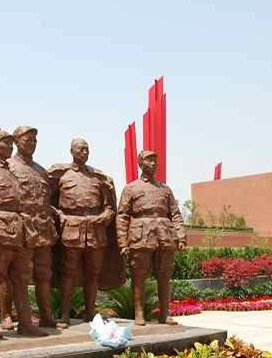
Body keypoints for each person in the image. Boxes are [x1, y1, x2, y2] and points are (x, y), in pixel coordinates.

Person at [0, 128, 48, 339]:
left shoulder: (12, 172)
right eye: (5, 142)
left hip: (21, 233)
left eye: (10, 142)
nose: (10, 146)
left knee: (22, 279)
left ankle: (25, 324)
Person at [49, 138, 115, 328]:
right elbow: (46, 201)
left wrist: (105, 216)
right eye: (80, 149)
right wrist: (60, 215)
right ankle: (64, 314)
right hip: (72, 228)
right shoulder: (61, 175)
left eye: (87, 149)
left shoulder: (98, 177)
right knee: (68, 273)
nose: (84, 152)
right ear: (72, 151)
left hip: (95, 229)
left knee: (94, 272)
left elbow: (110, 207)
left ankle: (90, 312)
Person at [116, 150, 187, 326]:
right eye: (149, 160)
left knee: (164, 275)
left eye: (155, 160)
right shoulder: (131, 188)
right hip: (140, 235)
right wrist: (122, 242)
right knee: (139, 276)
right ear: (140, 164)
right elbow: (122, 216)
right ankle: (139, 313)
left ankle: (165, 313)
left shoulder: (165, 189)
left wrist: (181, 237)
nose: (153, 163)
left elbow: (175, 214)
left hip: (164, 235)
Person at [6, 125, 59, 328]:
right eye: (28, 140)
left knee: (44, 273)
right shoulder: (8, 167)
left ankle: (46, 315)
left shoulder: (41, 171)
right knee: (15, 273)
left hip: (42, 228)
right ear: (16, 141)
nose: (32, 144)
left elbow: (47, 199)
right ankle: (6, 314)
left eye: (35, 140)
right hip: (19, 227)